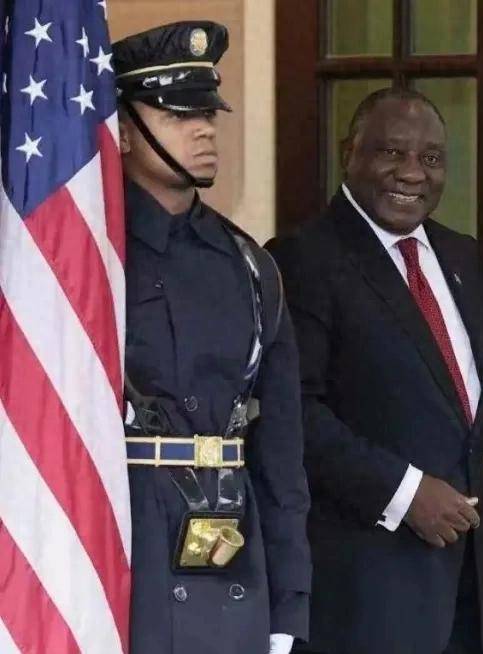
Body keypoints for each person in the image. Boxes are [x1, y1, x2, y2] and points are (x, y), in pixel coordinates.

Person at [266, 87, 483, 654]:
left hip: (466, 586)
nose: (412, 173)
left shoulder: (461, 256)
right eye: (392, 152)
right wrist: (404, 491)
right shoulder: (303, 259)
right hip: (365, 588)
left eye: (431, 158)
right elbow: (292, 411)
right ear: (350, 153)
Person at [112, 21, 311, 654]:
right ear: (122, 131)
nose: (202, 130)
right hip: (122, 548)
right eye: (176, 115)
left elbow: (281, 456)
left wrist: (289, 611)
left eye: (206, 113)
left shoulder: (249, 265)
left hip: (230, 557)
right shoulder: (86, 258)